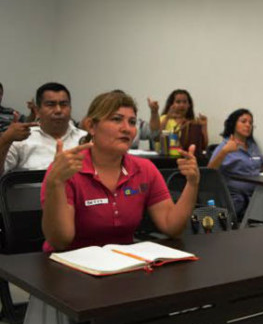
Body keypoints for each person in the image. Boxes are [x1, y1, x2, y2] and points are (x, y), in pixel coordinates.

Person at [40, 90, 199, 252]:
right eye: (116, 119)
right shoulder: (67, 170)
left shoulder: (144, 169)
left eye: (132, 122)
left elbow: (171, 227)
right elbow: (60, 241)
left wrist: (192, 184)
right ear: (91, 126)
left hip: (123, 263)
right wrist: (56, 183)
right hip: (68, 265)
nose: (127, 129)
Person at [1, 82, 86, 175]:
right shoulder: (21, 140)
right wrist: (5, 140)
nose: (58, 110)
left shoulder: (86, 139)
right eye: (51, 104)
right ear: (37, 110)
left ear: (70, 108)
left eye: (63, 104)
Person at [208, 109, 263, 218]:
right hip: (235, 197)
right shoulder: (224, 146)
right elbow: (209, 172)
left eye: (250, 123)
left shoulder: (252, 146)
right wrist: (224, 151)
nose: (248, 125)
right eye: (243, 121)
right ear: (233, 124)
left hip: (258, 194)